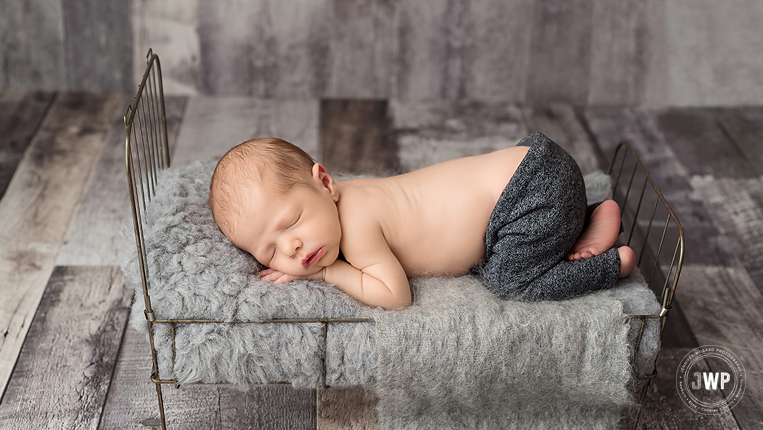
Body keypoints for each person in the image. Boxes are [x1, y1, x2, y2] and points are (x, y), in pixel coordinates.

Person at [209, 133, 636, 310]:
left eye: (292, 222)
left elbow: (396, 296)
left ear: (324, 183)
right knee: (517, 243)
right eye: (270, 251)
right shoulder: (354, 194)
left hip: (528, 194)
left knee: (508, 279)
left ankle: (608, 265)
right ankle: (591, 214)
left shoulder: (357, 226)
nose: (292, 248)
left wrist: (330, 273)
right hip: (537, 166)